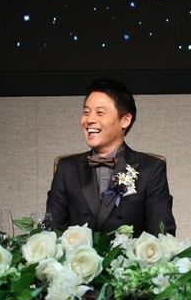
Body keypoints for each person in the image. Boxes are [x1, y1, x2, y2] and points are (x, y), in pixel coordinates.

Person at [46, 78, 176, 236]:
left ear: (125, 120)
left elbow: (162, 236)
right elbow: (51, 232)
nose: (89, 120)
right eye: (86, 112)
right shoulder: (66, 168)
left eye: (100, 113)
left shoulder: (150, 168)